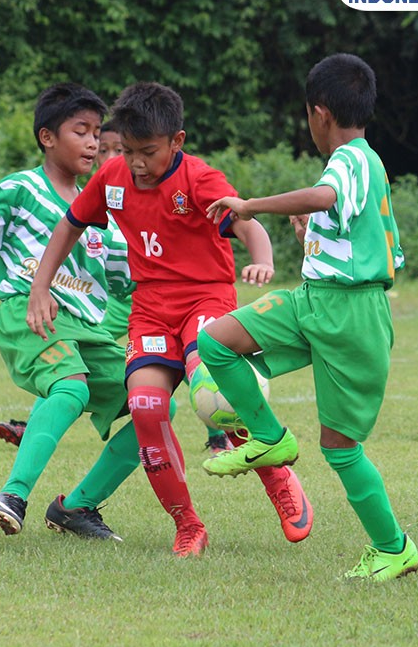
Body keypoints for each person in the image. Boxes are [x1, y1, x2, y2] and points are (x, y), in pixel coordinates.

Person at [27, 82, 314, 557]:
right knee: (144, 406)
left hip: (207, 301)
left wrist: (262, 257)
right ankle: (188, 524)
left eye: (149, 153)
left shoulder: (200, 180)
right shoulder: (114, 178)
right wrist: (41, 284)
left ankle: (278, 473)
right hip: (152, 311)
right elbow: (70, 225)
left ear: (176, 142)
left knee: (216, 393)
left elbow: (246, 222)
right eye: (129, 151)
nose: (137, 163)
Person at [197, 53, 418, 582]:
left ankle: (393, 548)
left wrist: (250, 205)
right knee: (217, 342)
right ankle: (270, 437)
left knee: (340, 449)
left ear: (319, 113)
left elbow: (327, 194)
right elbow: (360, 233)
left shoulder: (352, 158)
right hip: (315, 300)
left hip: (351, 317)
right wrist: (312, 236)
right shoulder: (360, 164)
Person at [0, 83, 144, 541]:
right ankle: (12, 495)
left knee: (152, 407)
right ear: (47, 137)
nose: (93, 142)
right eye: (81, 131)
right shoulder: (20, 190)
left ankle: (77, 507)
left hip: (87, 330)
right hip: (29, 313)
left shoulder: (103, 213)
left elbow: (129, 278)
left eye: (97, 132)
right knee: (69, 386)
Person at [0, 121, 238, 456]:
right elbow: (75, 233)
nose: (110, 155)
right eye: (110, 149)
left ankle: (219, 433)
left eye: (114, 148)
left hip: (140, 294)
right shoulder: (107, 187)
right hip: (112, 300)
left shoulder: (161, 183)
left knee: (189, 355)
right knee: (71, 356)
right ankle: (39, 422)